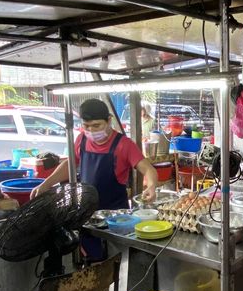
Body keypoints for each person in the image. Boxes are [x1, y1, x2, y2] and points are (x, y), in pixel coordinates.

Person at [31, 99, 158, 259]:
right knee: (91, 261)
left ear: (109, 121)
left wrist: (151, 186)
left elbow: (148, 169)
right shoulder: (81, 140)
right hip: (87, 216)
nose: (91, 130)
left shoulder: (124, 145)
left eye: (96, 125)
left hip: (116, 220)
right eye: (86, 126)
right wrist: (46, 183)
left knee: (117, 262)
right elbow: (70, 164)